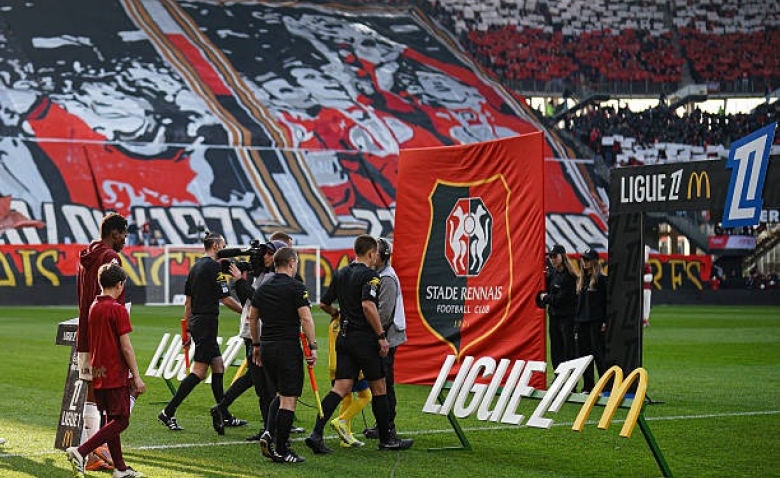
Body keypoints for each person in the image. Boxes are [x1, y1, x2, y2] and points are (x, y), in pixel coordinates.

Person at [305, 235, 413, 453]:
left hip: (344, 338)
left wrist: (338, 313)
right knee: (379, 387)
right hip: (365, 340)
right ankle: (386, 439)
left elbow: (324, 303)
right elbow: (368, 306)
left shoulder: (341, 272)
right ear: (371, 253)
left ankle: (316, 433)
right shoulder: (371, 276)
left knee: (340, 387)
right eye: (375, 254)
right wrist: (381, 336)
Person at [66, 263, 146, 478]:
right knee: (122, 420)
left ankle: (119, 468)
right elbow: (126, 346)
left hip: (98, 371)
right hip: (114, 371)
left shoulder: (94, 306)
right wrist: (136, 376)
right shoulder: (117, 309)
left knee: (112, 418)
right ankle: (80, 451)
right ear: (120, 285)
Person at [158, 232, 243, 431]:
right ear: (215, 246)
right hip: (206, 322)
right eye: (223, 244)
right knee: (199, 372)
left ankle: (224, 413)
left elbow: (187, 303)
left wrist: (186, 329)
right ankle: (168, 412)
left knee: (218, 365)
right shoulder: (214, 267)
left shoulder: (195, 267)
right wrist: (246, 311)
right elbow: (226, 299)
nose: (226, 248)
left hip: (198, 321)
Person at [211, 240, 288, 439]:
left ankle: (224, 409)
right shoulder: (263, 273)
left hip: (264, 334)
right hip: (256, 334)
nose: (265, 256)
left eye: (269, 253)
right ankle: (268, 428)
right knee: (263, 386)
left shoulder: (273, 276)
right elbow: (251, 298)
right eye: (265, 253)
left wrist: (239, 280)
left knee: (263, 384)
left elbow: (255, 298)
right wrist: (241, 268)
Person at [248, 246, 316, 463]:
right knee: (289, 399)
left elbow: (252, 318)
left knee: (278, 394)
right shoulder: (296, 288)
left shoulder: (263, 288)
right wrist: (312, 346)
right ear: (292, 263)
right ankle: (282, 449)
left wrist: (257, 345)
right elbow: (306, 319)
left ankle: (269, 432)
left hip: (266, 346)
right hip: (286, 347)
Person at [76, 212, 128, 472]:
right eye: (124, 234)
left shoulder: (86, 254)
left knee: (92, 393)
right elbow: (114, 304)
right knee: (115, 405)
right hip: (107, 341)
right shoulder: (110, 258)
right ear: (114, 232)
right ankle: (92, 451)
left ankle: (94, 451)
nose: (125, 239)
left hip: (85, 336)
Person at [363, 237, 407, 440]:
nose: (371, 254)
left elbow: (385, 313)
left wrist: (375, 333)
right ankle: (382, 424)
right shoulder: (381, 275)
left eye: (375, 251)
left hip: (387, 337)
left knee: (385, 383)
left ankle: (388, 425)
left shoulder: (387, 278)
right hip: (384, 335)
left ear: (382, 256)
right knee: (379, 382)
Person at [327, 312, 371, 448]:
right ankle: (342, 420)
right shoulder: (351, 322)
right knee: (366, 396)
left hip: (334, 365)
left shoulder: (334, 322)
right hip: (348, 365)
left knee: (347, 399)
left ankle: (345, 437)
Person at [538, 244, 577, 371]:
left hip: (567, 318)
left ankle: (571, 381)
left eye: (555, 256)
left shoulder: (569, 276)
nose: (552, 259)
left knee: (568, 350)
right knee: (555, 349)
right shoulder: (553, 274)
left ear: (562, 256)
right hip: (554, 316)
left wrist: (545, 298)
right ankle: (557, 377)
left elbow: (560, 299)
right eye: (550, 257)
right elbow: (543, 287)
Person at [574, 249, 608, 393]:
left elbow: (607, 302)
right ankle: (588, 386)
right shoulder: (581, 280)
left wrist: (605, 321)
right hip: (582, 323)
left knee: (599, 355)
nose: (584, 262)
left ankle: (604, 386)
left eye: (587, 259)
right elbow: (579, 305)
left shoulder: (601, 279)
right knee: (584, 357)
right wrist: (576, 325)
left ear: (594, 261)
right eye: (583, 259)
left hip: (595, 322)